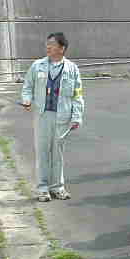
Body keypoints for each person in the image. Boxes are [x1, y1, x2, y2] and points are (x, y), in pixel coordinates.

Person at [21, 33, 84, 202]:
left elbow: (77, 95)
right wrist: (26, 100)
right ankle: (42, 188)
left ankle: (57, 187)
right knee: (42, 152)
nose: (48, 47)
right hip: (42, 116)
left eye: (52, 44)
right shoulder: (37, 66)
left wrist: (77, 116)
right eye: (47, 44)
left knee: (58, 153)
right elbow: (27, 86)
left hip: (62, 116)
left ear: (62, 48)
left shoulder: (72, 69)